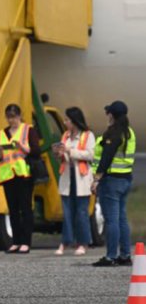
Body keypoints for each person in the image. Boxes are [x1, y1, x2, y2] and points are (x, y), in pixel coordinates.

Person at [91, 101, 136, 267]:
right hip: (125, 179)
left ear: (111, 115)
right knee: (121, 219)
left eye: (108, 113)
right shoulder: (129, 132)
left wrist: (96, 179)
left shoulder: (114, 133)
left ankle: (110, 256)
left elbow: (106, 157)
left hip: (112, 182)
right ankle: (125, 255)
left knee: (111, 220)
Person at [0, 104, 40, 254]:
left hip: (23, 174)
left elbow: (36, 151)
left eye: (13, 117)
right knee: (12, 209)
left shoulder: (28, 130)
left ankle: (26, 242)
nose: (11, 120)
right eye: (8, 117)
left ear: (19, 116)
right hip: (8, 175)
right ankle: (16, 241)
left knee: (25, 208)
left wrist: (22, 147)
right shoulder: (2, 133)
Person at [54, 107, 95, 256]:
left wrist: (70, 152)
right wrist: (59, 153)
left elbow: (90, 155)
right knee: (67, 212)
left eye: (67, 120)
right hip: (67, 176)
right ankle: (65, 241)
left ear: (75, 121)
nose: (65, 123)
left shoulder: (87, 135)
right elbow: (64, 156)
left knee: (81, 212)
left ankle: (83, 243)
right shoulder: (65, 135)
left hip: (81, 178)